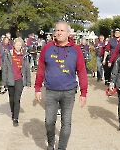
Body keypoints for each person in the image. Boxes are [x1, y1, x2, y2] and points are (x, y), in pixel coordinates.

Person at [34, 21, 88, 150]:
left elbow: (82, 71)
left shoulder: (76, 50)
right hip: (51, 91)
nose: (59, 33)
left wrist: (83, 92)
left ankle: (61, 148)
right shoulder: (47, 48)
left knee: (66, 123)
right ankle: (51, 144)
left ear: (68, 33)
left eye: (62, 30)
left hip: (69, 91)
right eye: (57, 30)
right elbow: (41, 69)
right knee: (49, 122)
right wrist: (37, 87)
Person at [0, 38, 31, 127]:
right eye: (17, 45)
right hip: (10, 79)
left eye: (20, 45)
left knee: (17, 99)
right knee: (12, 99)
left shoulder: (24, 55)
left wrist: (28, 82)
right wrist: (3, 82)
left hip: (20, 79)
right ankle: (13, 112)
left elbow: (27, 69)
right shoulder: (8, 54)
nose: (18, 47)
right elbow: (5, 69)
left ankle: (15, 118)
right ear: (14, 45)